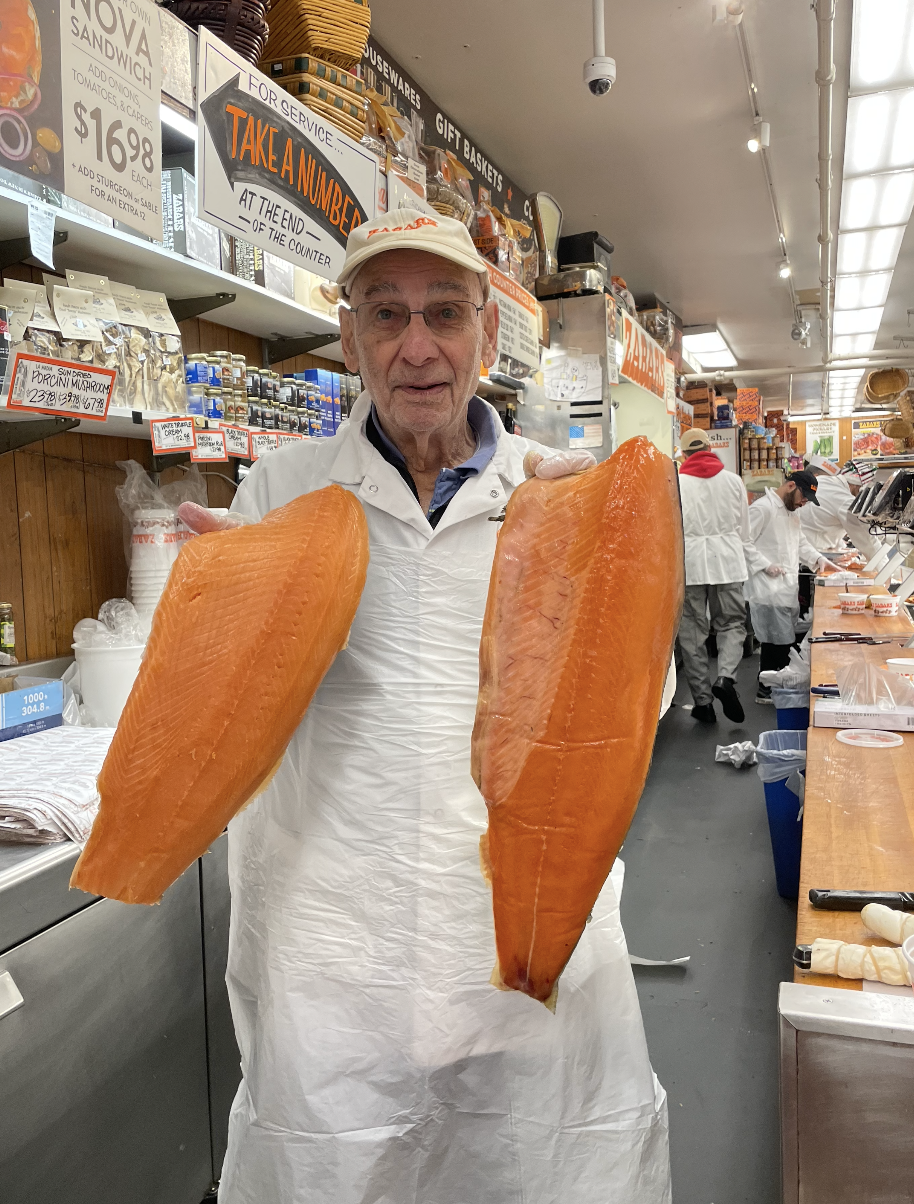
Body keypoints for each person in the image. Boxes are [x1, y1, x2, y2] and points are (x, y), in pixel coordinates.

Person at [182, 209, 671, 1204]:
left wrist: (614, 583)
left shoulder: (556, 495)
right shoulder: (280, 491)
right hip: (334, 950)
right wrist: (208, 618)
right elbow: (227, 716)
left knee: (532, 1163)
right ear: (350, 335)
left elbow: (636, 706)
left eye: (443, 314)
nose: (416, 348)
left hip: (524, 944)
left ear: (487, 337)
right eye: (386, 314)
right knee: (335, 1165)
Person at [676, 428, 761, 724]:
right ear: (711, 449)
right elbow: (744, 531)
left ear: (683, 454)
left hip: (690, 565)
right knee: (732, 625)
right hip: (728, 561)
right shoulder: (733, 481)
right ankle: (725, 678)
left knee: (692, 632)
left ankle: (703, 703)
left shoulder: (676, 483)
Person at [744, 471, 836, 703]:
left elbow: (800, 542)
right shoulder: (762, 509)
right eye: (803, 497)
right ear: (791, 485)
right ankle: (766, 691)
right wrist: (765, 565)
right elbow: (742, 542)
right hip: (767, 589)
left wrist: (818, 560)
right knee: (776, 641)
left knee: (782, 639)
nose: (804, 503)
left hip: (785, 587)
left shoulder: (790, 511)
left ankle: (771, 684)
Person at [799, 459, 883, 562]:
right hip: (809, 560)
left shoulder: (823, 481)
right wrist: (886, 573)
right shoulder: (845, 500)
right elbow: (869, 543)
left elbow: (822, 523)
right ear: (859, 488)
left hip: (799, 552)